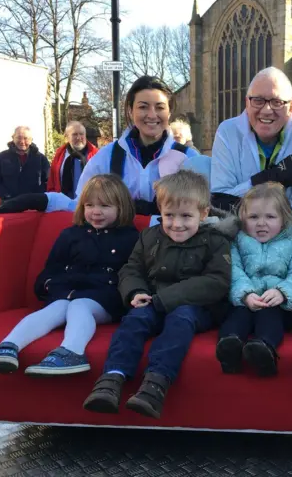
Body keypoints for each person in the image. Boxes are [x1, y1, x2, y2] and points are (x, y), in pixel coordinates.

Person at [83, 170, 238, 419]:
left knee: (181, 319)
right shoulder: (150, 236)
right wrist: (136, 292)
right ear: (160, 213)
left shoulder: (215, 241)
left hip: (197, 306)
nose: (176, 224)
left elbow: (216, 281)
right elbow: (131, 268)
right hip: (153, 299)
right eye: (169, 216)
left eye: (186, 216)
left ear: (204, 213)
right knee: (135, 319)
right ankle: (112, 378)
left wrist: (163, 300)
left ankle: (156, 383)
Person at [0, 174, 139, 376]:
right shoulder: (71, 235)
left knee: (79, 305)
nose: (96, 212)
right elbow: (52, 268)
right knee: (56, 307)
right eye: (89, 205)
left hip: (107, 297)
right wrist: (48, 284)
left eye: (105, 206)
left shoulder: (130, 237)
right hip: (68, 291)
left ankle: (73, 352)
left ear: (122, 208)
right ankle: (10, 345)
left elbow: (134, 271)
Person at [0, 76, 210, 217]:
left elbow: (204, 213)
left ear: (169, 112)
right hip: (119, 253)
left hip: (168, 255)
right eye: (143, 107)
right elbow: (80, 203)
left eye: (160, 107)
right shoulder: (108, 156)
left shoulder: (188, 158)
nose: (152, 115)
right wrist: (40, 200)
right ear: (131, 110)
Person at [216, 182, 292, 377]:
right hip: (244, 299)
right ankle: (229, 346)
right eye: (253, 217)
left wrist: (282, 292)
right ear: (243, 218)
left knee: (269, 316)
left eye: (270, 217)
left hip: (277, 302)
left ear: (284, 218)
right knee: (238, 316)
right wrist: (246, 294)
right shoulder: (238, 240)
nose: (261, 223)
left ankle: (263, 348)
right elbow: (233, 269)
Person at [210, 67, 292, 219]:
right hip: (237, 230)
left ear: (291, 107)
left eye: (277, 102)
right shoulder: (227, 131)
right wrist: (273, 177)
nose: (267, 110)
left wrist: (260, 216)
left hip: (289, 234)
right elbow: (219, 201)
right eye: (258, 100)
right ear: (247, 102)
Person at [0, 126, 50, 201]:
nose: (22, 141)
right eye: (19, 138)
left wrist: (39, 196)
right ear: (13, 138)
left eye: (26, 138)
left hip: (34, 204)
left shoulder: (40, 158)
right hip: (9, 203)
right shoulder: (1, 158)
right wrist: (5, 195)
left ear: (31, 140)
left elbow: (48, 181)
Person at [47, 121, 98, 198]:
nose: (78, 138)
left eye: (81, 134)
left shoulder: (95, 154)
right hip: (64, 204)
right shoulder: (59, 154)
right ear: (67, 137)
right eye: (74, 134)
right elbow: (52, 182)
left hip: (89, 203)